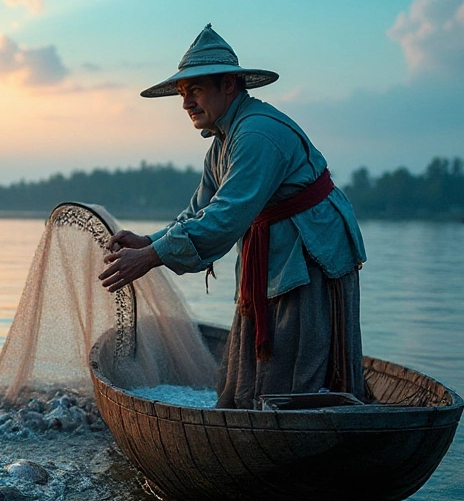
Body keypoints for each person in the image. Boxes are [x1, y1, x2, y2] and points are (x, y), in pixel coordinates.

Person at [99, 24, 368, 409]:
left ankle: (299, 436)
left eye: (195, 90)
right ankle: (252, 422)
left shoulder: (256, 133)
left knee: (299, 361)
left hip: (309, 254)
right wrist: (149, 243)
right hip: (273, 253)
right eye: (182, 93)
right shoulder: (224, 141)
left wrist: (151, 258)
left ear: (229, 86)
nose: (186, 103)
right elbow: (199, 212)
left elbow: (224, 219)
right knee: (259, 357)